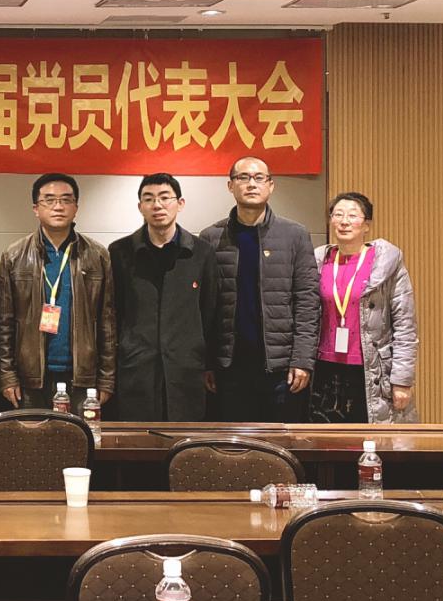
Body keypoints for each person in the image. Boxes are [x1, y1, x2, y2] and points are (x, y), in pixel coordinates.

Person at [199, 156, 319, 422]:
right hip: (229, 367)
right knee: (232, 442)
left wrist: (302, 360)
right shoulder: (211, 237)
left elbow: (307, 302)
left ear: (270, 185)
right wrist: (207, 362)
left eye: (259, 178)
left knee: (281, 441)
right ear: (230, 186)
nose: (251, 184)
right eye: (243, 177)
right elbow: (206, 307)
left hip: (280, 368)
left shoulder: (295, 235)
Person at [0, 173, 116, 412]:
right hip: (30, 378)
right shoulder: (14, 255)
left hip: (82, 378)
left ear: (76, 208)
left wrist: (106, 378)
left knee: (81, 436)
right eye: (49, 200)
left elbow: (107, 321)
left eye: (66, 200)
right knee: (32, 436)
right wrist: (7, 375)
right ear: (36, 208)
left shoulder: (97, 255)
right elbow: (4, 322)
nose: (58, 207)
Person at [108, 173, 220, 421]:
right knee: (137, 439)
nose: (157, 205)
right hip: (136, 368)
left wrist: (208, 362)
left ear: (180, 203)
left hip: (186, 370)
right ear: (140, 207)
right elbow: (114, 311)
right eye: (149, 199)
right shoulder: (120, 252)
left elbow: (210, 311)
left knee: (184, 439)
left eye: (164, 197)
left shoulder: (202, 252)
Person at [310, 192, 419, 423]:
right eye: (338, 215)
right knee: (326, 438)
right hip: (324, 369)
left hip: (371, 370)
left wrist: (402, 380)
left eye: (352, 215)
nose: (344, 221)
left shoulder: (386, 263)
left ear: (367, 225)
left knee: (370, 438)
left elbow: (405, 325)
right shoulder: (318, 260)